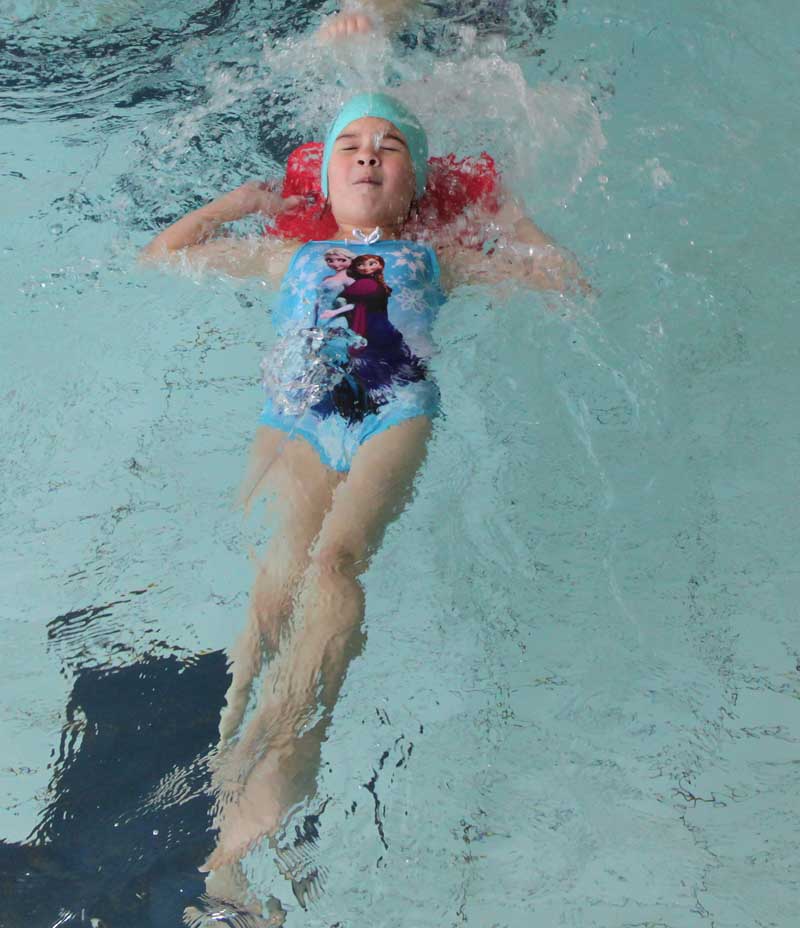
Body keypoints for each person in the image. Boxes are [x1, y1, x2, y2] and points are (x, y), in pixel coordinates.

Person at [143, 78, 585, 928]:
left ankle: (269, 784)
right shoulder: (288, 254)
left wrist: (512, 217)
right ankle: (228, 759)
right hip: (298, 421)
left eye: (390, 148)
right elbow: (162, 255)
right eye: (350, 145)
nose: (369, 155)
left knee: (334, 567)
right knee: (274, 586)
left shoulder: (438, 259)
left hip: (391, 412)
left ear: (416, 182)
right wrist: (233, 205)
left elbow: (564, 284)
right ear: (324, 178)